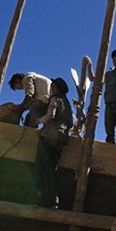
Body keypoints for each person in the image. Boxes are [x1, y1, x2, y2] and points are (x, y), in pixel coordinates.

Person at [34, 77, 73, 208]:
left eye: (53, 87)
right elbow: (71, 123)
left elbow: (50, 115)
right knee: (51, 169)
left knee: (40, 167)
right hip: (61, 139)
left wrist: (38, 121)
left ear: (57, 88)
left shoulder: (55, 99)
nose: (52, 89)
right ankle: (53, 200)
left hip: (49, 136)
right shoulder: (67, 104)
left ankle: (40, 198)